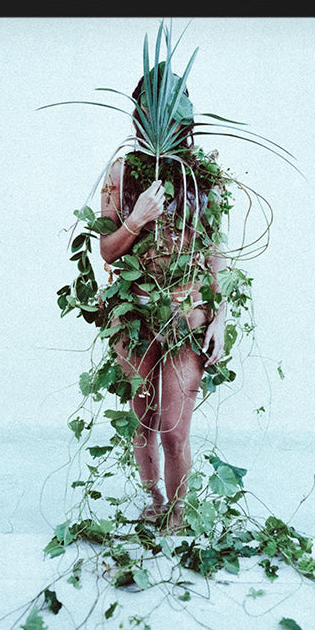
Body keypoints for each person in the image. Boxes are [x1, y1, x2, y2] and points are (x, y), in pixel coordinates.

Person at [98, 75, 227, 532]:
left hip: (188, 317)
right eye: (151, 108)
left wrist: (221, 317)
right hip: (134, 316)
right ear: (141, 114)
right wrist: (136, 219)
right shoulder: (120, 172)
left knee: (175, 428)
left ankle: (178, 511)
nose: (161, 118)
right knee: (144, 420)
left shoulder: (203, 175)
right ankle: (153, 501)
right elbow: (108, 251)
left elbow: (216, 254)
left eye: (171, 109)